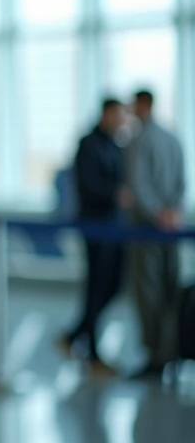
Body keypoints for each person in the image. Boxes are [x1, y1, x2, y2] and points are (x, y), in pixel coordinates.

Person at [56, 98, 128, 376]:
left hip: (114, 226)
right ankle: (93, 353)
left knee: (113, 284)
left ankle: (74, 336)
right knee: (96, 286)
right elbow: (88, 183)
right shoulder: (88, 144)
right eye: (118, 115)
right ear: (106, 114)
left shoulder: (115, 144)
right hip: (95, 226)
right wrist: (114, 194)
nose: (122, 120)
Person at [124, 89, 185, 380]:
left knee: (149, 291)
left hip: (147, 228)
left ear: (143, 104)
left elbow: (137, 184)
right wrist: (171, 212)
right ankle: (172, 351)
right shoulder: (172, 138)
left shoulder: (138, 140)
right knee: (171, 290)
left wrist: (155, 213)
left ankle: (155, 356)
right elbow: (182, 182)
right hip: (172, 228)